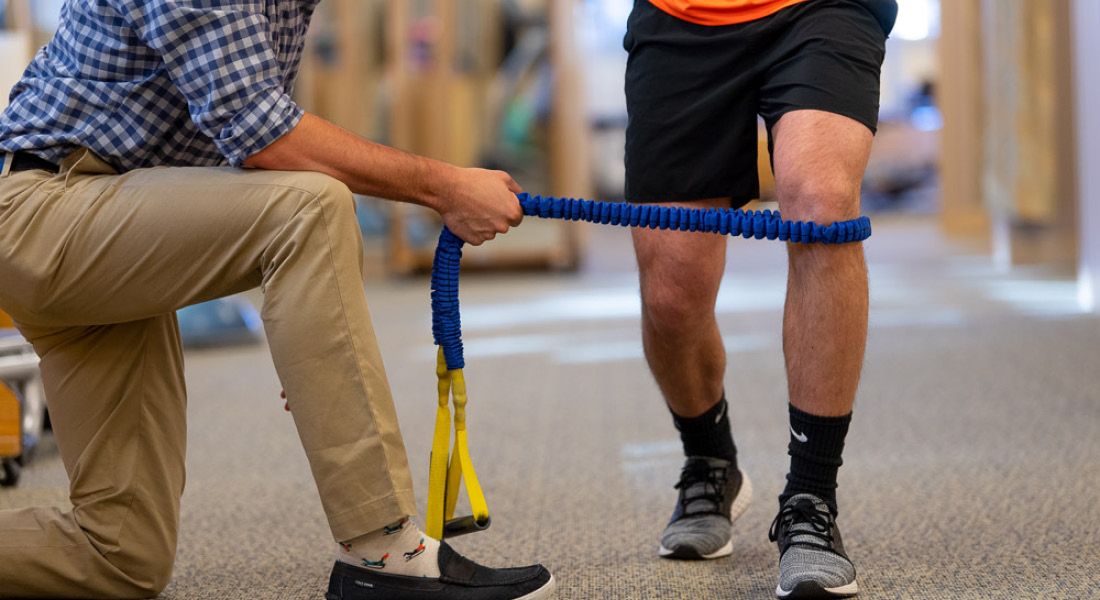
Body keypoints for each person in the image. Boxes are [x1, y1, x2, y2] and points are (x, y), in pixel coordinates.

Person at [0, 2, 555, 599]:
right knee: (311, 207)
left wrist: (313, 338)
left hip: (106, 222)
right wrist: (447, 186)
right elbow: (262, 131)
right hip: (44, 210)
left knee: (119, 556)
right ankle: (383, 552)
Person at [622, 0, 896, 598]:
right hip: (680, 19)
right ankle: (710, 459)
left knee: (821, 203)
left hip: (825, 10)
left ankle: (811, 498)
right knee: (671, 293)